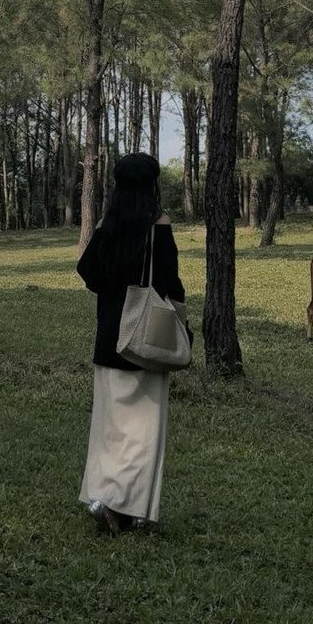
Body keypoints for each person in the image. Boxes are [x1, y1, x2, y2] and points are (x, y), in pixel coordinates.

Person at [76, 152, 188, 536]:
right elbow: (171, 284)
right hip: (147, 339)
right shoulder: (159, 227)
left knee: (111, 429)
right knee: (142, 433)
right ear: (152, 185)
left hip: (110, 337)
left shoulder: (111, 225)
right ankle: (120, 507)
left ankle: (105, 497)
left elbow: (86, 271)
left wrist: (113, 285)